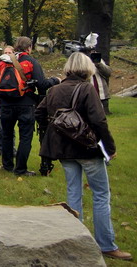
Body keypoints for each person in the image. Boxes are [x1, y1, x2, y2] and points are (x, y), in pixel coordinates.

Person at [35, 52, 132, 261]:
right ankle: (106, 244)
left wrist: (50, 132)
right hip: (87, 150)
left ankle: (75, 242)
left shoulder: (54, 90)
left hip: (64, 152)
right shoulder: (87, 88)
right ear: (87, 68)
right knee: (100, 195)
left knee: (73, 195)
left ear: (68, 68)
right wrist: (109, 146)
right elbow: (99, 121)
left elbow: (40, 113)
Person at [0, 37, 60, 176]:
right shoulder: (30, 62)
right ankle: (20, 169)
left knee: (6, 135)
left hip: (5, 104)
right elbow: (41, 84)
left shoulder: (2, 62)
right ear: (29, 48)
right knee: (25, 137)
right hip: (26, 103)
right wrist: (55, 80)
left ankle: (7, 165)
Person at [0, 45, 15, 158]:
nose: (7, 54)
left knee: (10, 125)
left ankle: (12, 147)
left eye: (9, 52)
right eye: (5, 52)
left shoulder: (16, 65)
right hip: (0, 97)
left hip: (12, 99)